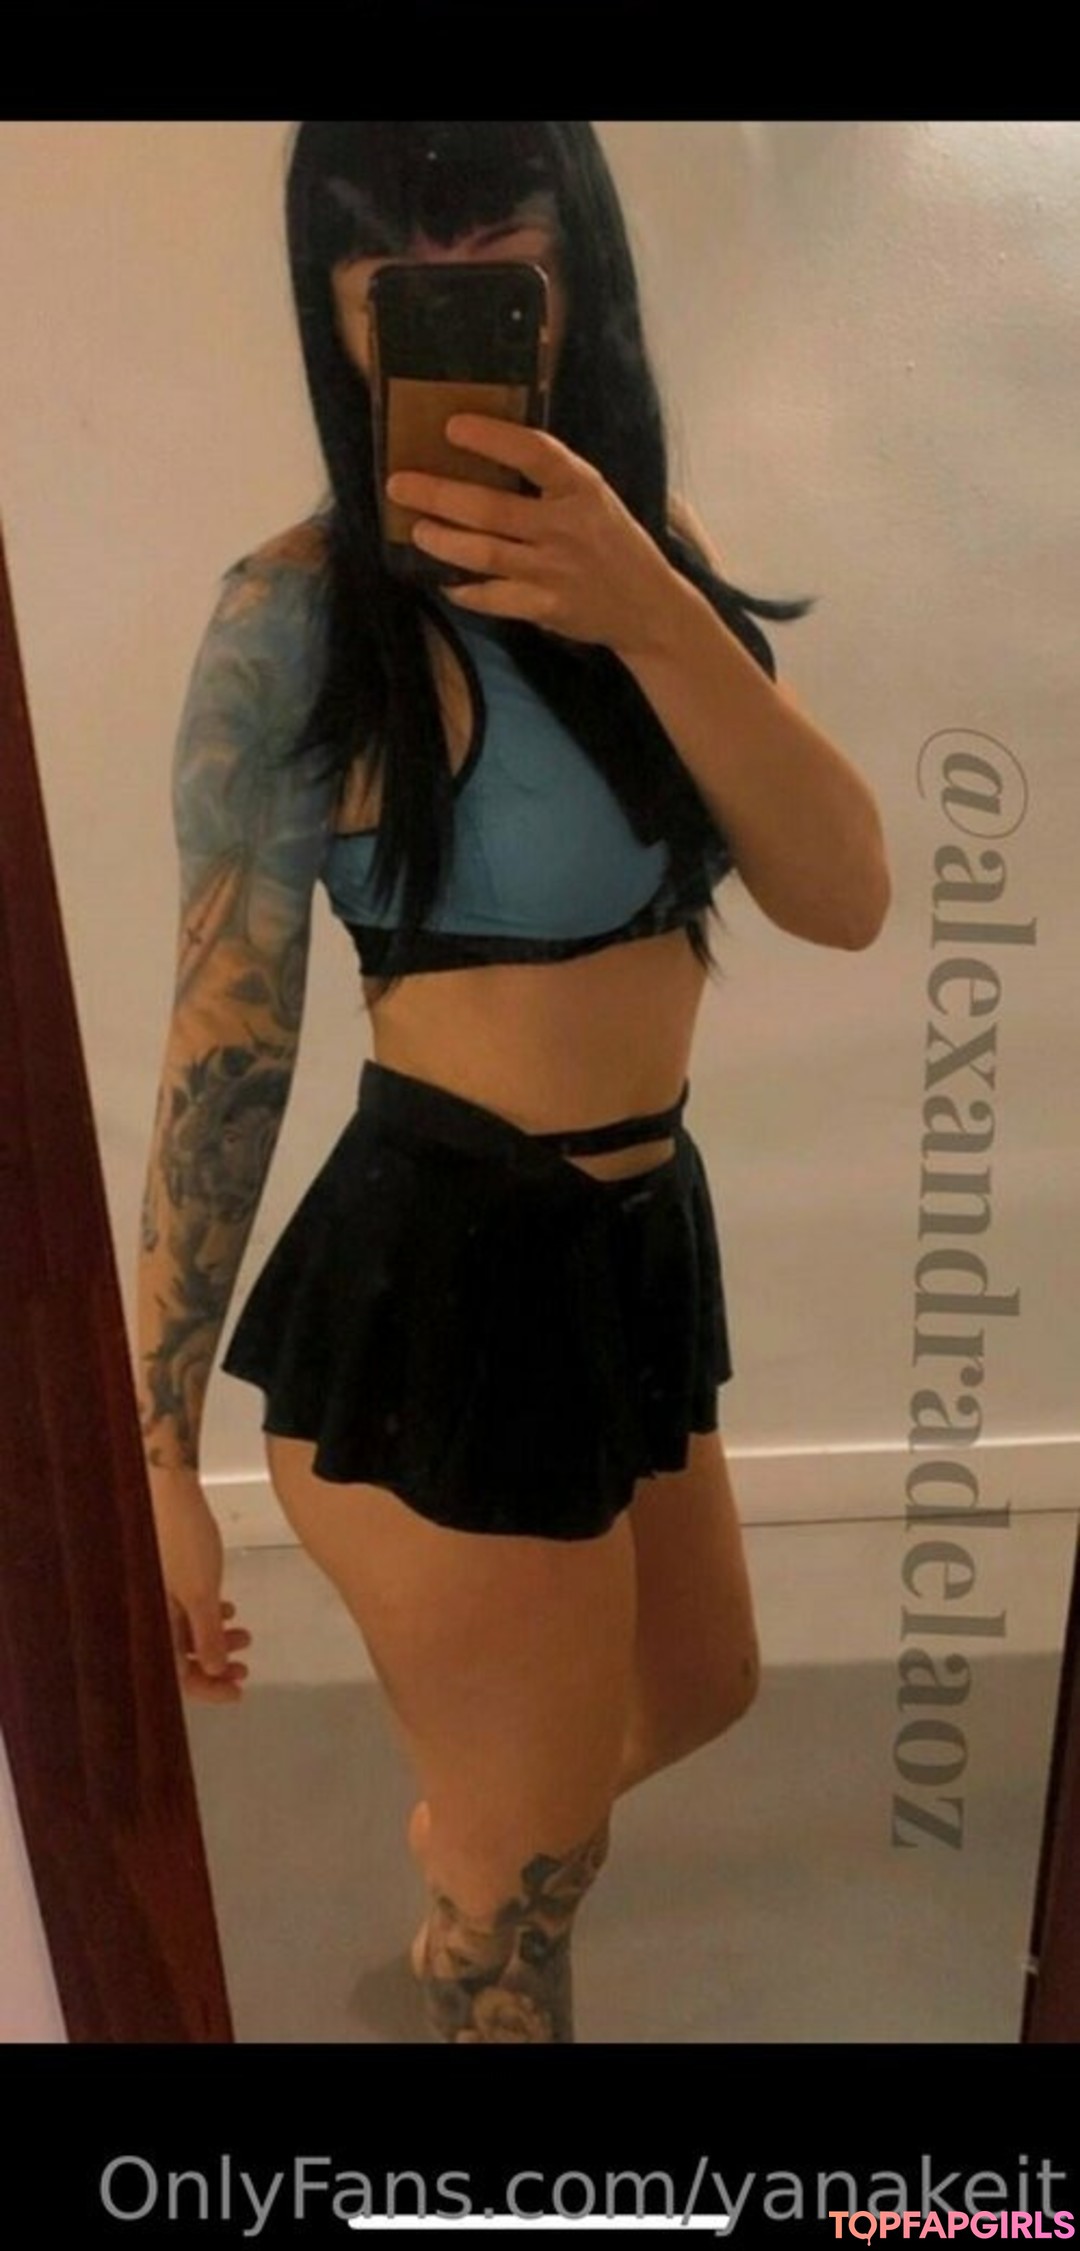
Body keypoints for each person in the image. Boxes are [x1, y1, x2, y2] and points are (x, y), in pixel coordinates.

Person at [135, 121, 891, 2046]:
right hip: (448, 1283)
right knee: (530, 1890)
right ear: (333, 307)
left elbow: (847, 895)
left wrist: (649, 603)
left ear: (579, 270)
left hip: (629, 1240)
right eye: (394, 263)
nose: (451, 289)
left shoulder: (645, 557)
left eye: (502, 246)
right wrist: (151, 1453)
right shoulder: (295, 622)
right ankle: (489, 1899)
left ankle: (480, 1834)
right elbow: (224, 1046)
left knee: (701, 1687)